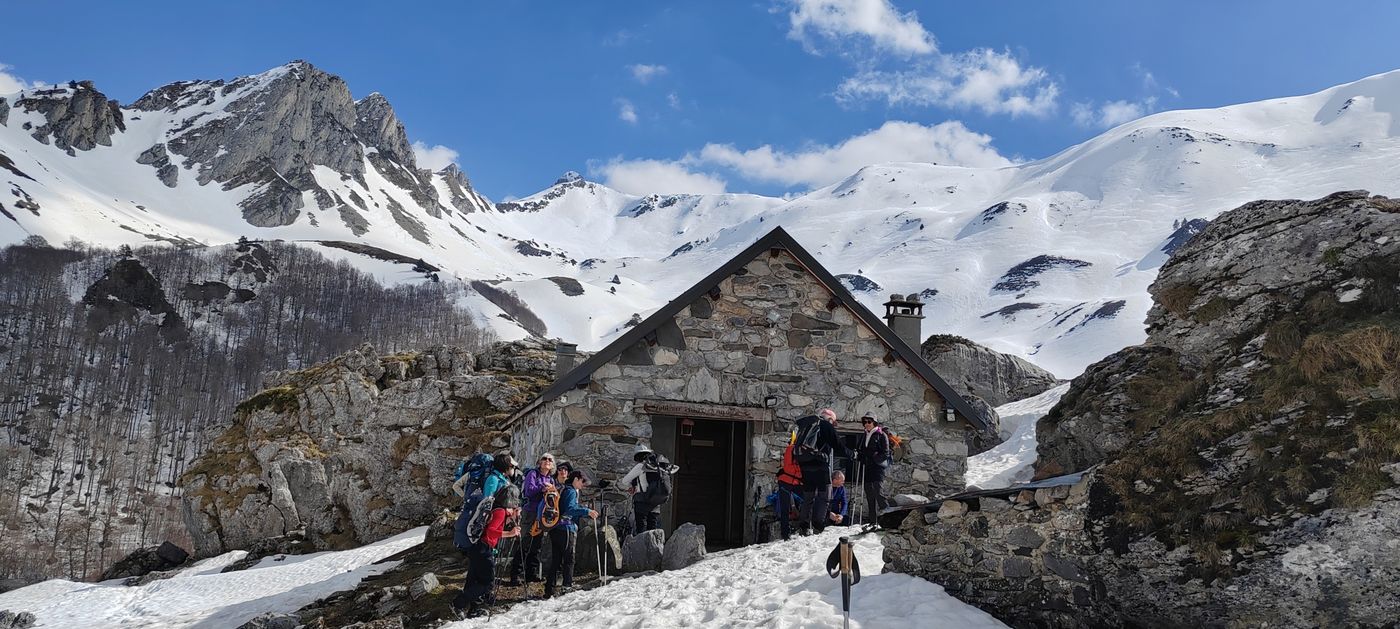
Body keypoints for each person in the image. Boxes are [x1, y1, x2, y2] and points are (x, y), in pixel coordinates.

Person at [454, 484, 521, 618]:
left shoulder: (496, 508)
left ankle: (472, 609)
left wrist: (511, 516)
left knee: (473, 579)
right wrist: (510, 533)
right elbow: (491, 531)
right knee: (487, 582)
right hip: (483, 548)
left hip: (475, 545)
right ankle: (458, 604)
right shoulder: (500, 512)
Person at [793, 408, 852, 535]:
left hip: (805, 465)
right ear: (830, 418)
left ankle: (804, 526)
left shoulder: (806, 425)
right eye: (833, 422)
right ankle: (818, 526)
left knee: (808, 496)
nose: (833, 424)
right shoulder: (825, 425)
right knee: (825, 495)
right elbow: (838, 446)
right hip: (820, 465)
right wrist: (851, 454)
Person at [544, 469, 599, 597]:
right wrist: (587, 511)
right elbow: (570, 509)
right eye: (582, 481)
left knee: (556, 559)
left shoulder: (564, 489)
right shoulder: (571, 491)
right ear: (576, 479)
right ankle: (566, 586)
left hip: (556, 528)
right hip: (566, 528)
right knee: (569, 558)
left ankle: (549, 589)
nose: (583, 485)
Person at [509, 452, 556, 586]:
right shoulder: (533, 475)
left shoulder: (551, 480)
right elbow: (528, 491)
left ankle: (531, 573)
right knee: (525, 542)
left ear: (552, 465)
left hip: (543, 514)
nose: (547, 461)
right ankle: (515, 575)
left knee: (537, 544)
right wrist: (542, 488)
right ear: (539, 462)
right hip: (530, 513)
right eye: (544, 458)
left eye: (550, 459)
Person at [620, 444, 679, 533]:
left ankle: (642, 547)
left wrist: (631, 487)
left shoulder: (641, 466)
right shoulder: (658, 466)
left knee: (641, 529)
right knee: (652, 530)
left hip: (642, 501)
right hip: (655, 502)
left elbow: (624, 481)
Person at [856, 414, 892, 525]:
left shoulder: (881, 435)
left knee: (878, 492)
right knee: (869, 494)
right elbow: (861, 449)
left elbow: (886, 453)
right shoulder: (864, 435)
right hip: (867, 467)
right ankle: (873, 521)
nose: (866, 424)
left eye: (869, 422)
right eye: (865, 422)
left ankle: (888, 517)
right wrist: (860, 456)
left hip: (878, 467)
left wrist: (874, 458)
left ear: (874, 423)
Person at [774, 431, 805, 540]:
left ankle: (793, 531)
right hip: (788, 481)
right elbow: (791, 468)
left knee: (806, 502)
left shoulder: (796, 450)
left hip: (791, 481)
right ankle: (786, 533)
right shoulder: (792, 449)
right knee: (785, 508)